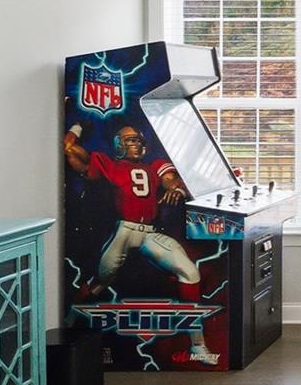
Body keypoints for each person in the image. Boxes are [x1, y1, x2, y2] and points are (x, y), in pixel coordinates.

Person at [63, 122, 218, 367]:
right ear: (118, 144)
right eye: (129, 140)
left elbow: (172, 180)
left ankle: (198, 345)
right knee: (100, 282)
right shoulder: (109, 164)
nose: (135, 144)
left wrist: (177, 188)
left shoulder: (154, 165)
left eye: (138, 140)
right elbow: (69, 149)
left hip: (148, 233)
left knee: (190, 273)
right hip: (123, 230)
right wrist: (78, 127)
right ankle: (68, 326)